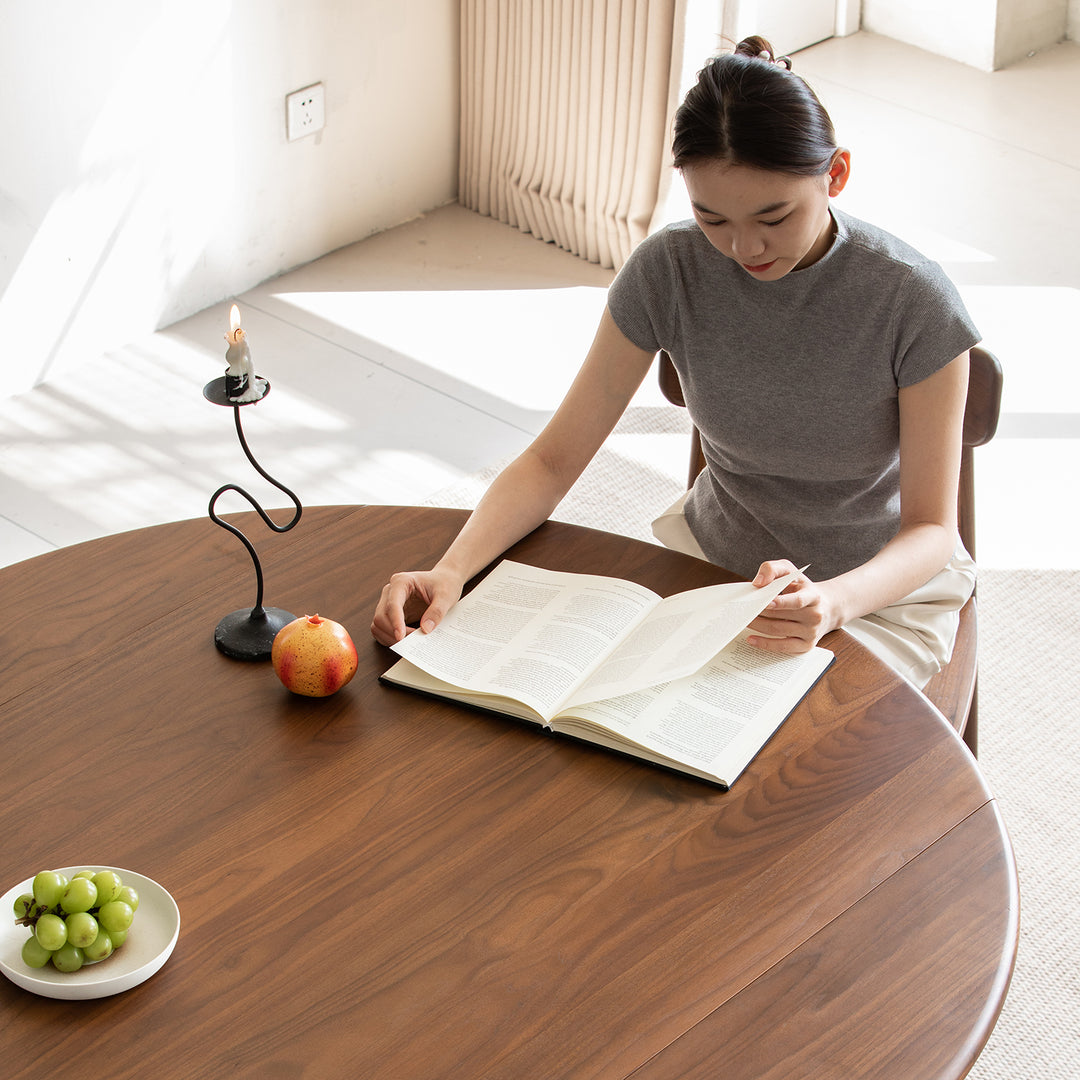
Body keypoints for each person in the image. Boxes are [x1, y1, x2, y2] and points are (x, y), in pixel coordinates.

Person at [371, 36, 980, 689]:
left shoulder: (912, 300)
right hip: (712, 573)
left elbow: (930, 530)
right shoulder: (669, 270)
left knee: (808, 767)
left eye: (774, 216)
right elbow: (552, 461)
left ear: (834, 174)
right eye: (711, 217)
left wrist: (833, 602)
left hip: (874, 594)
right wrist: (452, 570)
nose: (744, 247)